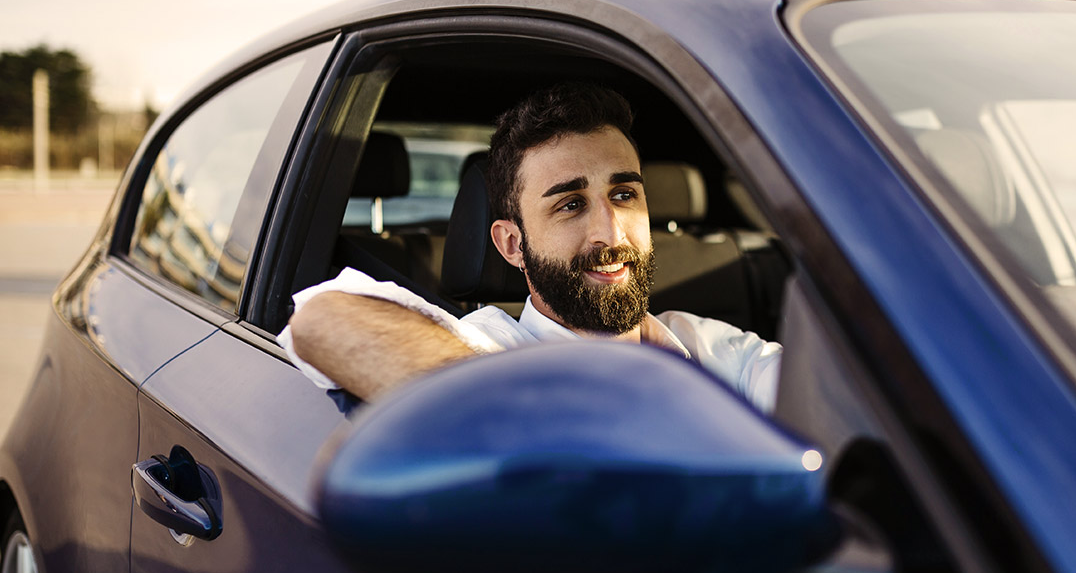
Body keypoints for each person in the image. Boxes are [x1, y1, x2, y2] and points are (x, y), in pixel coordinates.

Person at [279, 83, 781, 411]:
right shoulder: (491, 349)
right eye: (569, 205)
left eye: (624, 195)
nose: (612, 234)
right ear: (513, 244)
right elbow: (321, 320)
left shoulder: (709, 346)